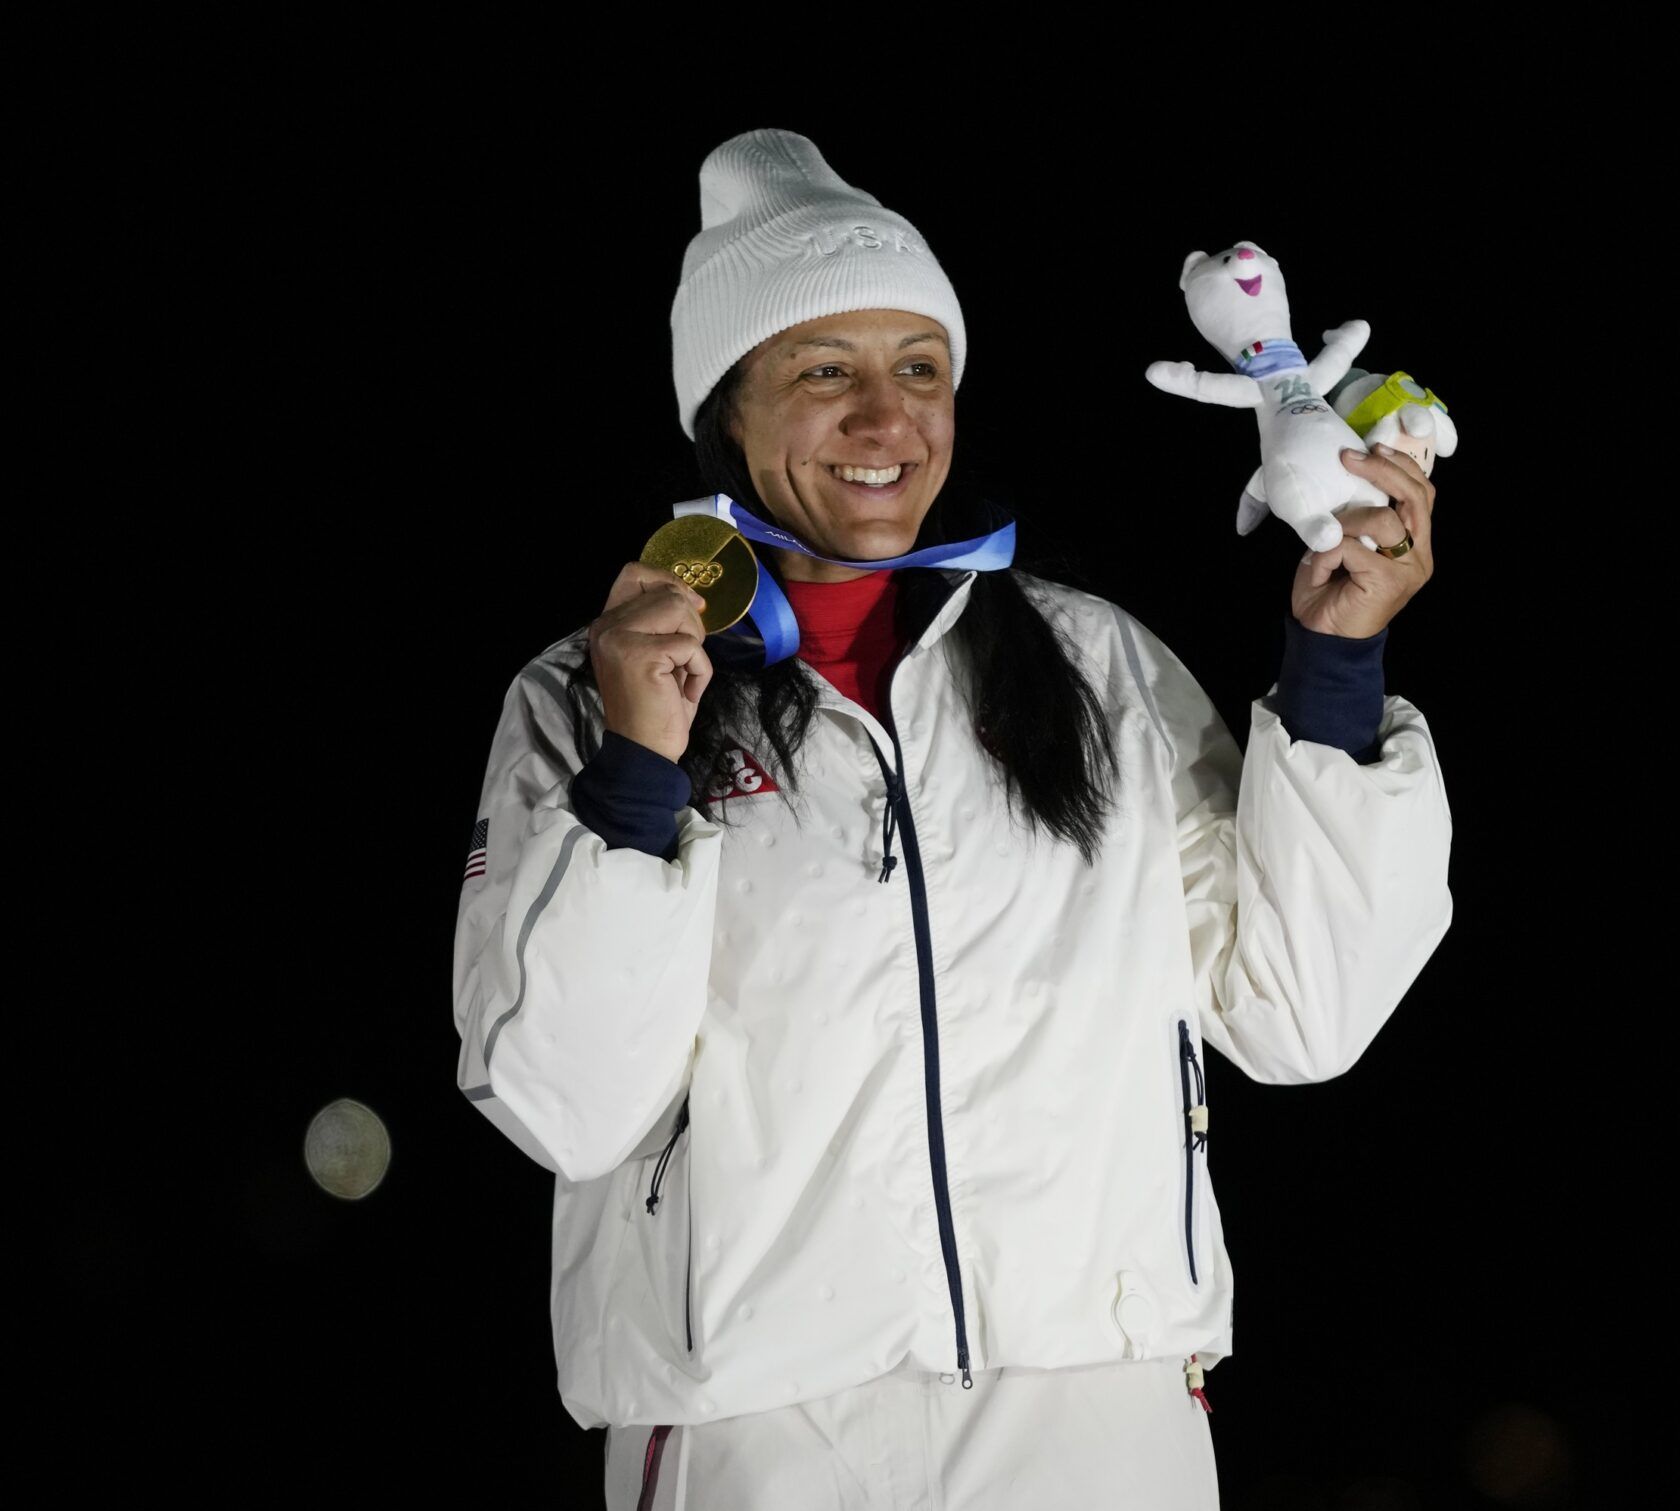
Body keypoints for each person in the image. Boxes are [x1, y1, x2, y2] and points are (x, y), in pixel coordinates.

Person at [452, 128, 1453, 1511]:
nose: (887, 420)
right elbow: (567, 1100)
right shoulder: (591, 693)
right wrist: (637, 764)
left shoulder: (1094, 666)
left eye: (921, 369)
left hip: (1095, 1410)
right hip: (759, 1426)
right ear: (723, 414)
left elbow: (1302, 1006)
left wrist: (1335, 665)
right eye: (824, 372)